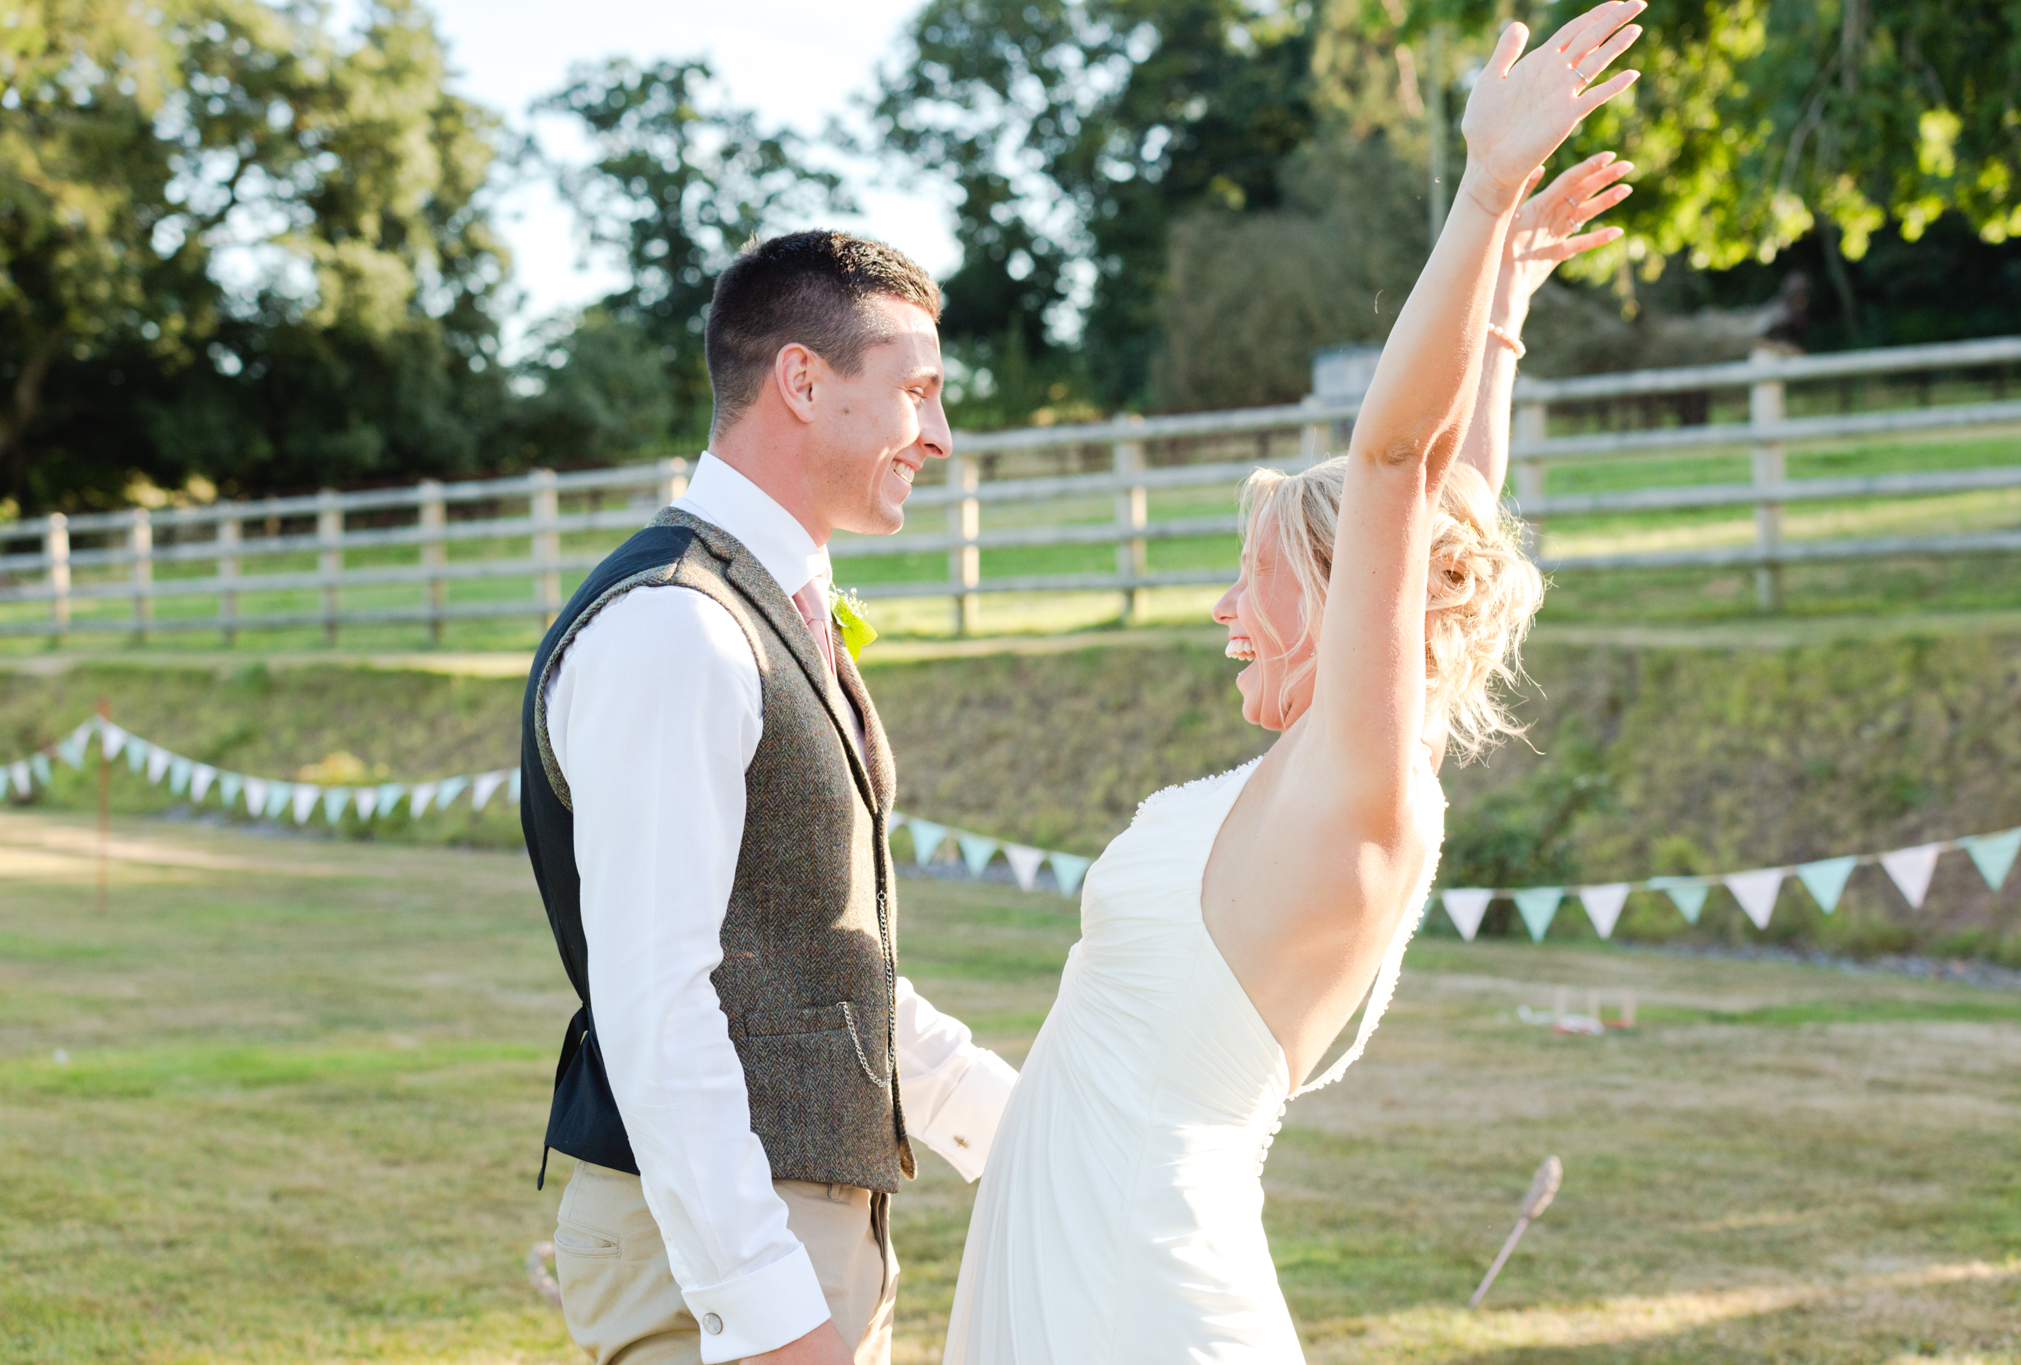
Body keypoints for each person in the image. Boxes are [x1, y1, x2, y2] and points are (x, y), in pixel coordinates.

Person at [942, 4, 1645, 1359]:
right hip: (1076, 1253)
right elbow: (1457, 514)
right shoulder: (1326, 768)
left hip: (1136, 1296)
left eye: (1253, 570)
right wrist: (1498, 316)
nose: (1223, 607)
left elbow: (1400, 475)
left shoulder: (1367, 787)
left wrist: (1483, 192)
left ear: (1346, 596)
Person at [518, 231, 1019, 1365]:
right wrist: (765, 1310)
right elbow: (657, 1003)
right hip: (723, 1244)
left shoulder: (761, 607)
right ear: (802, 381)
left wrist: (1019, 1132)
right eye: (916, 392)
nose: (936, 438)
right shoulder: (676, 629)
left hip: (801, 1226)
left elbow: (810, 964)